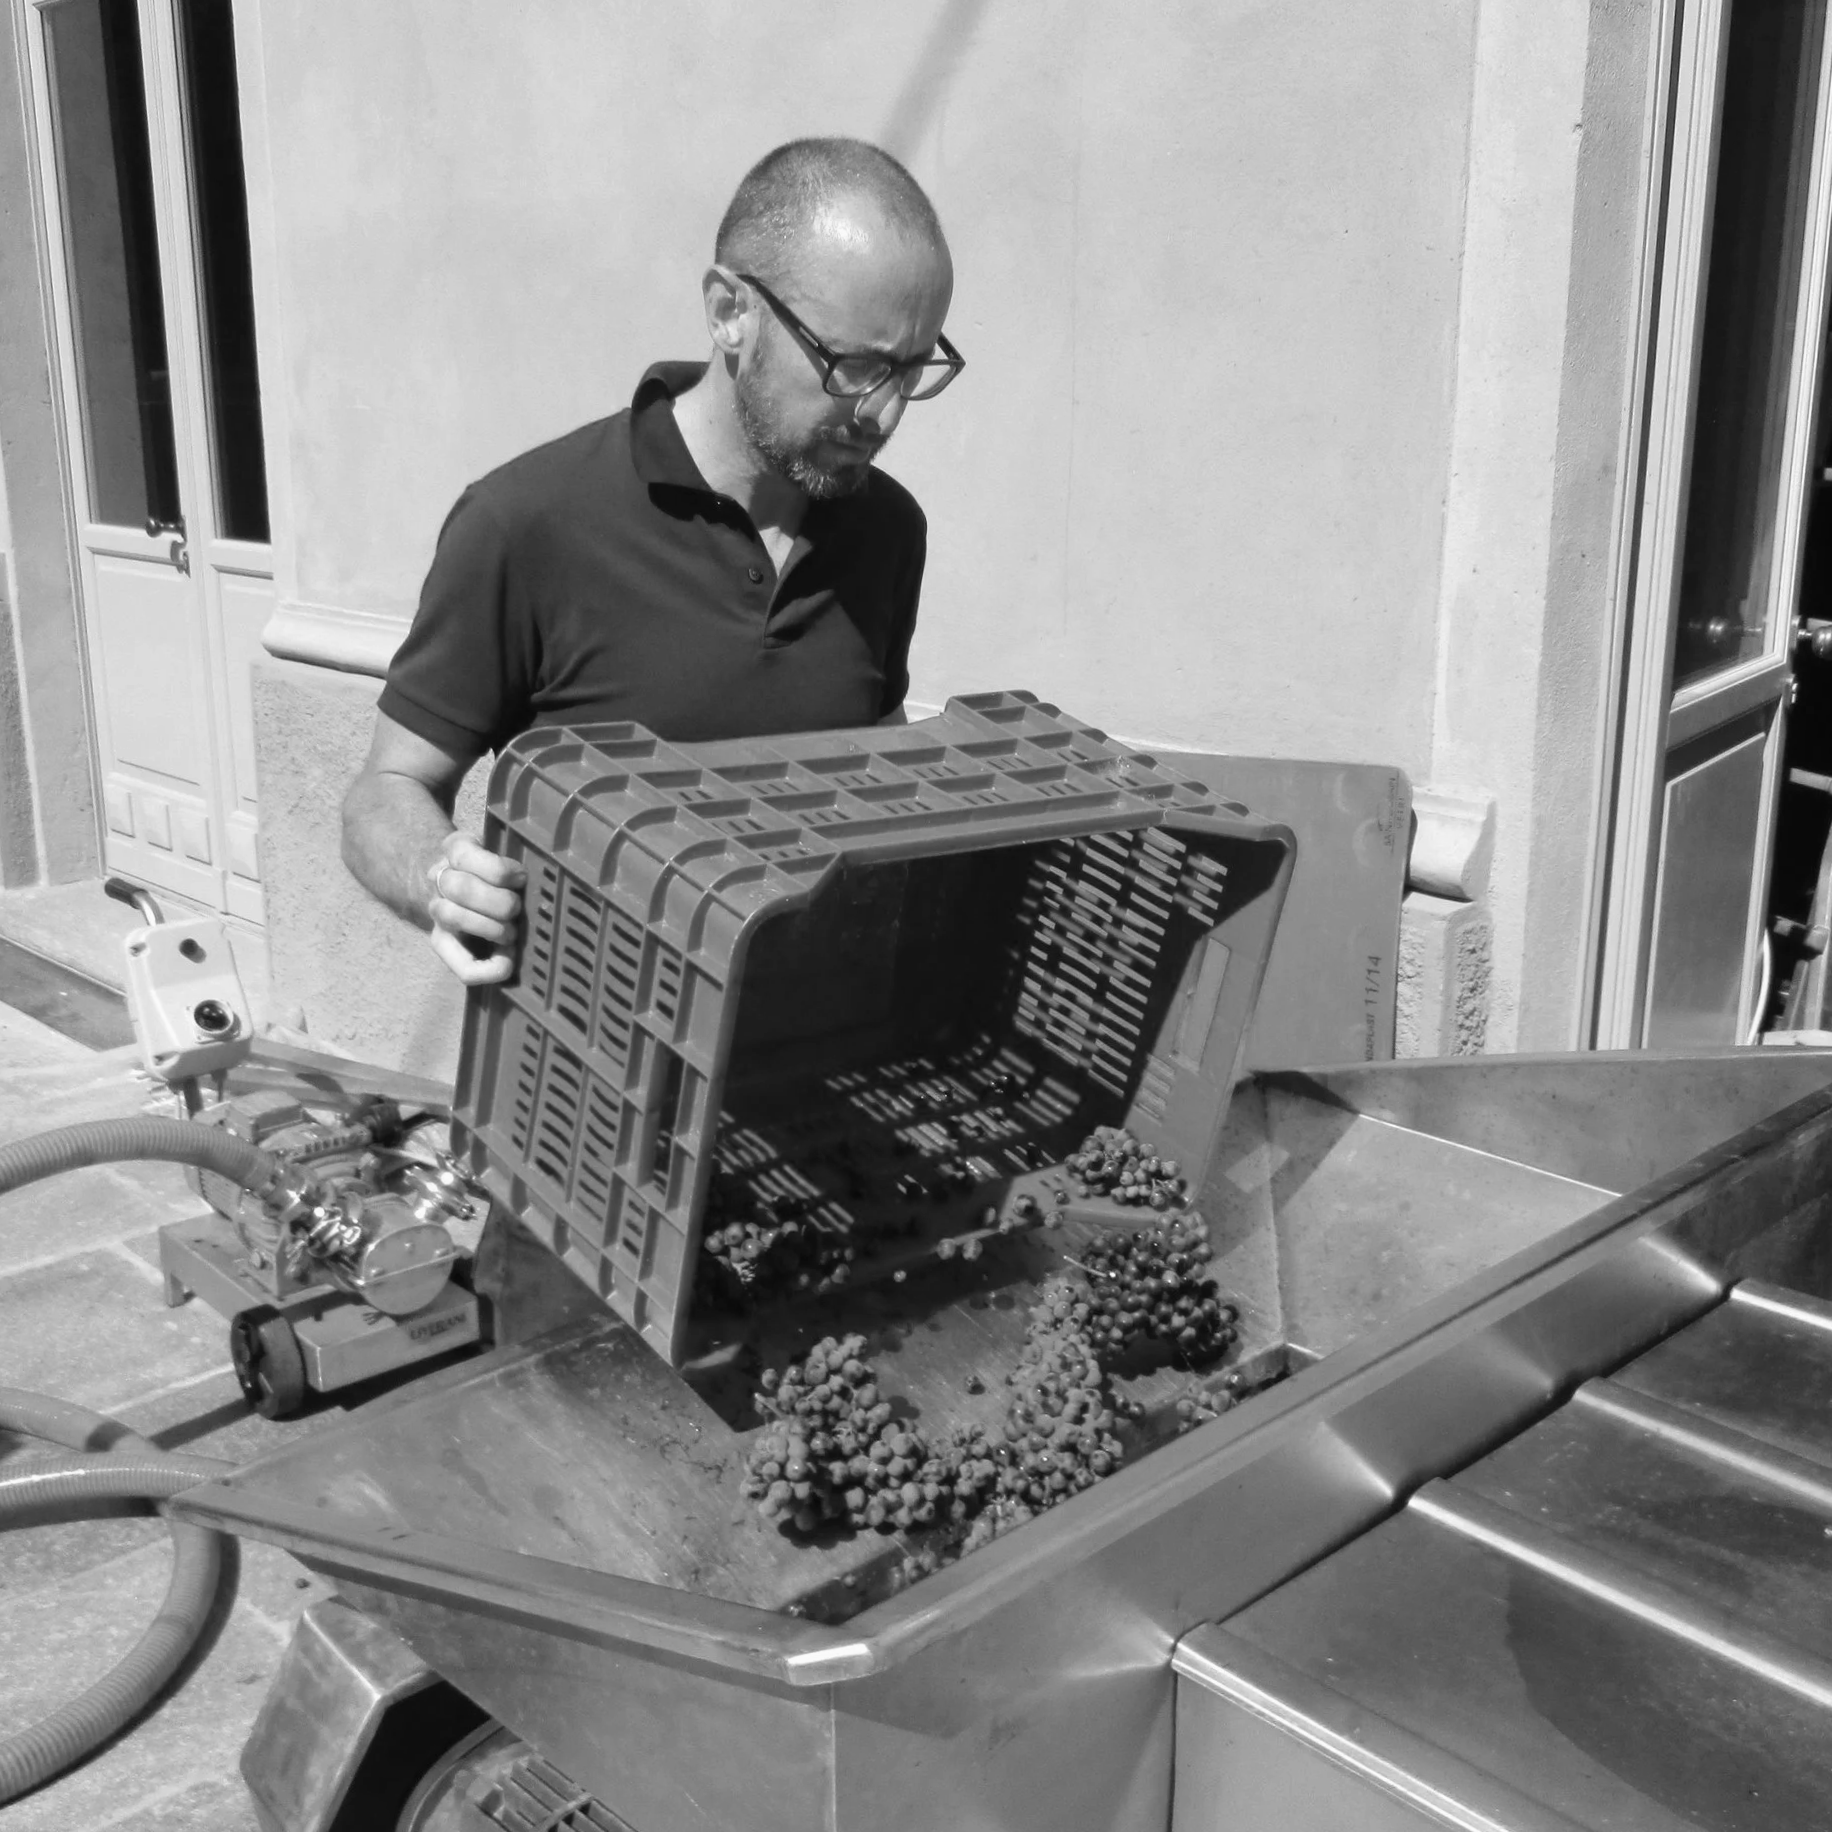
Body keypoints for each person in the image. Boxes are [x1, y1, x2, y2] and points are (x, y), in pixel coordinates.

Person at [341, 135, 961, 984]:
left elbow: (870, 743)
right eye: (853, 366)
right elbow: (384, 792)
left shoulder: (889, 530)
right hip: (597, 1071)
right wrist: (438, 876)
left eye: (913, 368)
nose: (884, 415)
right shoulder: (526, 523)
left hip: (811, 1063)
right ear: (729, 312)